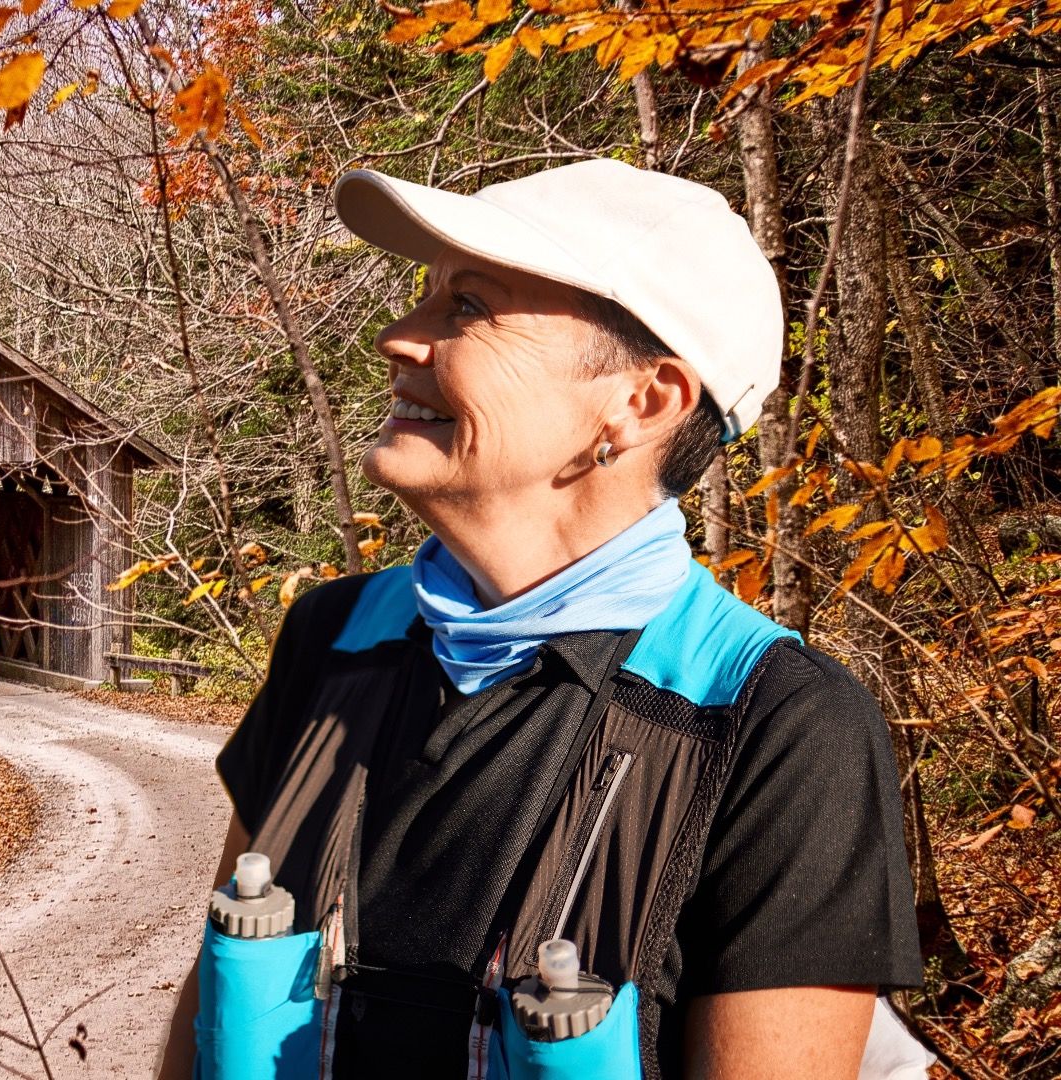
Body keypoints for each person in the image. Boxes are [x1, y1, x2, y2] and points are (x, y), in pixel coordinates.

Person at [156, 159, 923, 1079]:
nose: (398, 337)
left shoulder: (776, 723)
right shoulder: (333, 638)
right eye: (427, 298)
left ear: (642, 403)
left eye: (469, 308)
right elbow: (215, 997)